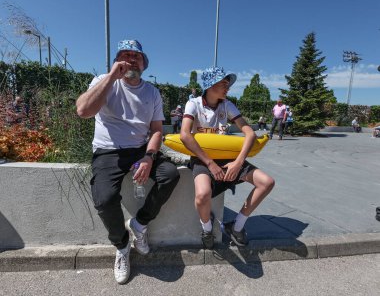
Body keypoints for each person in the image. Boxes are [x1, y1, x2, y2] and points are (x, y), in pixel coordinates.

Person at [76, 39, 180, 285]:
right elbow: (83, 111)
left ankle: (140, 224)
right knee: (104, 198)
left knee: (170, 175)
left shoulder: (152, 92)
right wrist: (112, 77)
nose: (131, 59)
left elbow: (156, 130)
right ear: (116, 60)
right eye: (125, 54)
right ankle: (121, 246)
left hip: (141, 150)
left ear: (144, 63)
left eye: (137, 56)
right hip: (108, 151)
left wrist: (148, 156)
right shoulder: (103, 81)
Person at [180, 66, 275, 249]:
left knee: (267, 182)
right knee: (202, 195)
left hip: (227, 158)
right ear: (209, 85)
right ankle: (207, 228)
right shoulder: (193, 104)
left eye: (227, 83)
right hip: (202, 158)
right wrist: (209, 163)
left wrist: (238, 163)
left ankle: (236, 226)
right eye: (223, 83)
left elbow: (250, 134)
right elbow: (185, 135)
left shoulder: (227, 105)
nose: (228, 87)